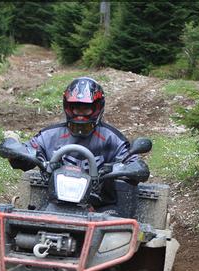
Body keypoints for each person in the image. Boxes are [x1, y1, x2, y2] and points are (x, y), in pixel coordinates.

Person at [7, 77, 140, 207]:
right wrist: (15, 151)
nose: (80, 114)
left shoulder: (113, 139)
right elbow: (28, 150)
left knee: (117, 220)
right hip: (54, 204)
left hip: (101, 207)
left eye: (86, 108)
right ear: (68, 107)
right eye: (76, 108)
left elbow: (133, 163)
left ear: (97, 107)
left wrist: (124, 168)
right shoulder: (49, 136)